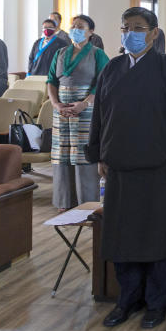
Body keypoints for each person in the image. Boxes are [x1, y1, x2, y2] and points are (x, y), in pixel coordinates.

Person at [87, 7, 166, 329]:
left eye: (137, 28)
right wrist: (99, 154)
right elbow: (99, 117)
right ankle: (127, 300)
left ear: (153, 33)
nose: (129, 34)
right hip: (120, 167)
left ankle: (156, 303)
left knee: (157, 237)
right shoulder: (112, 68)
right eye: (125, 28)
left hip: (159, 168)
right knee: (123, 238)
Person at [47, 14, 110, 210]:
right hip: (61, 112)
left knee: (83, 155)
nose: (75, 29)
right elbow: (51, 81)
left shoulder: (98, 54)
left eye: (80, 26)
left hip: (87, 111)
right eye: (73, 25)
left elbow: (102, 83)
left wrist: (84, 104)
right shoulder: (61, 52)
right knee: (62, 155)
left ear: (91, 31)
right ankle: (64, 202)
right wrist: (56, 104)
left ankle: (87, 202)